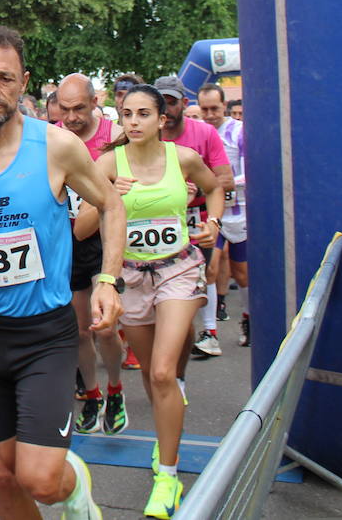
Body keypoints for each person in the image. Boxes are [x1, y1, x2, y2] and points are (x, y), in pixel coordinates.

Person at [0, 25, 126, 520]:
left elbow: (111, 205)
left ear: (23, 82)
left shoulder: (56, 147)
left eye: (5, 78)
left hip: (44, 335)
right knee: (4, 473)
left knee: (41, 480)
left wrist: (107, 280)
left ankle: (75, 492)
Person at [77, 84, 223, 519]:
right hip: (131, 275)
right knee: (153, 375)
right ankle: (167, 428)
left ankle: (168, 476)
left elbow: (215, 187)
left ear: (162, 119)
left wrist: (213, 223)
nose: (134, 121)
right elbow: (82, 228)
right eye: (127, 114)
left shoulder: (183, 158)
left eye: (143, 114)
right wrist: (110, 196)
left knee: (161, 370)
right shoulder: (107, 163)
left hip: (178, 268)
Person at [55, 74, 128, 436]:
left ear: (95, 102)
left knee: (106, 328)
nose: (71, 117)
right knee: (80, 331)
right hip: (67, 242)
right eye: (64, 109)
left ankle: (115, 387)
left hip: (102, 239)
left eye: (79, 109)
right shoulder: (52, 138)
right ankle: (93, 394)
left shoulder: (116, 136)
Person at [152, 76, 232, 361]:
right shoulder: (144, 134)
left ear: (184, 103)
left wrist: (196, 188)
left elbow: (225, 180)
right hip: (156, 221)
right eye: (161, 102)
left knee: (205, 272)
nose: (166, 108)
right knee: (162, 280)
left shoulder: (204, 133)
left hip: (196, 215)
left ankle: (209, 332)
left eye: (171, 102)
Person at [197, 84, 249, 346]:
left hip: (240, 213)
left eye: (214, 109)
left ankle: (249, 319)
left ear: (224, 106)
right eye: (204, 109)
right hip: (211, 213)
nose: (209, 115)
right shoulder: (199, 132)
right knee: (209, 268)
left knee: (241, 273)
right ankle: (210, 332)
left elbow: (250, 171)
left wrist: (220, 183)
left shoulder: (238, 131)